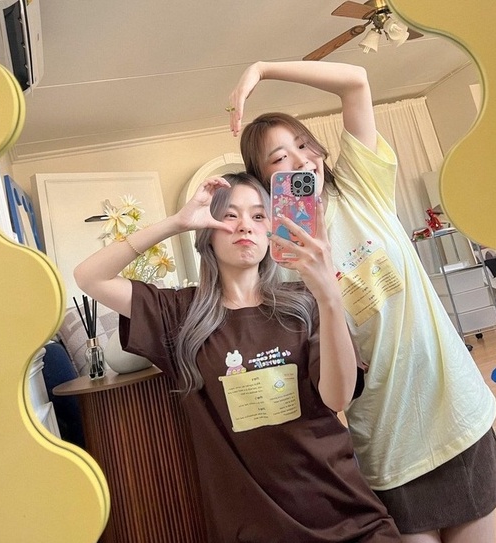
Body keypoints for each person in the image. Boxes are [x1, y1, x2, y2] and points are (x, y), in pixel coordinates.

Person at [226, 60, 496, 542]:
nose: (300, 160)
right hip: (388, 441)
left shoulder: (360, 189)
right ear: (264, 182)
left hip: (456, 411)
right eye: (279, 158)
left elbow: (356, 82)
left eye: (303, 144)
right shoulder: (280, 259)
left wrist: (262, 69)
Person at [74, 172, 401, 542]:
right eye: (230, 215)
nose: (245, 225)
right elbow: (90, 277)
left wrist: (328, 296)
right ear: (208, 233)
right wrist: (177, 222)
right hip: (255, 531)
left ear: (272, 231)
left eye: (259, 216)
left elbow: (337, 398)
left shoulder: (307, 302)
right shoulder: (181, 315)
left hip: (350, 520)